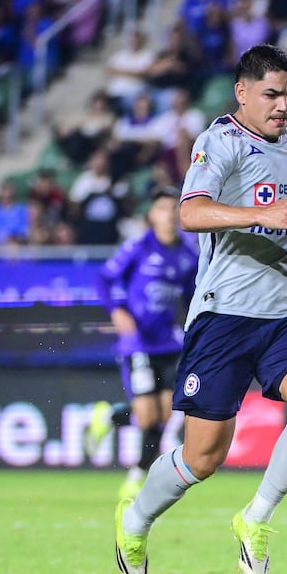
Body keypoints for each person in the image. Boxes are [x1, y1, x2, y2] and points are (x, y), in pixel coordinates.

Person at [114, 44, 287, 574]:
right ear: (242, 92)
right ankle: (135, 521)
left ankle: (255, 518)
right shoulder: (218, 142)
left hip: (284, 311)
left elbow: (286, 210)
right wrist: (264, 214)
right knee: (202, 458)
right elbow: (190, 213)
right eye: (272, 94)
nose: (284, 105)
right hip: (224, 316)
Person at [88, 186, 199, 500]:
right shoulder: (138, 246)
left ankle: (136, 477)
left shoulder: (188, 253)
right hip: (138, 342)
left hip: (169, 343)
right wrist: (117, 310)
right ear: (152, 215)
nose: (169, 215)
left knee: (165, 414)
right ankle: (108, 417)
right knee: (148, 416)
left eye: (174, 208)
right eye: (163, 208)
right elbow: (104, 279)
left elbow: (192, 296)